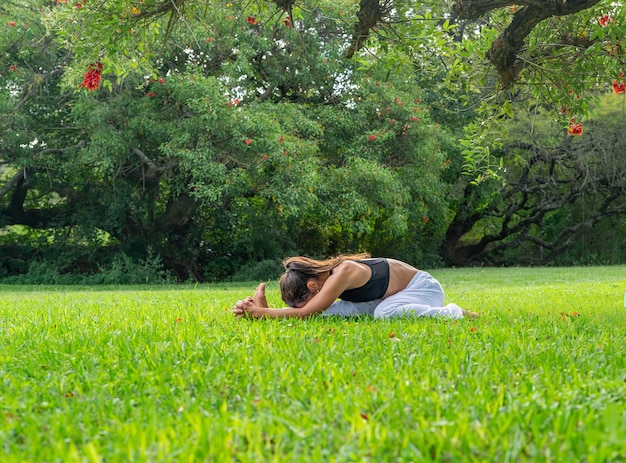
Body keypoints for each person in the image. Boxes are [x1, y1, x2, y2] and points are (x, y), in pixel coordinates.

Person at [232, 253, 479, 319]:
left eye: (302, 298)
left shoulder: (343, 272)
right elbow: (309, 312)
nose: (303, 306)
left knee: (385, 314)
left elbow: (306, 312)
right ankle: (265, 316)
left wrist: (263, 312)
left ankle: (456, 313)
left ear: (312, 286)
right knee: (331, 314)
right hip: (388, 295)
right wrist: (263, 312)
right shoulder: (326, 279)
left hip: (421, 289)